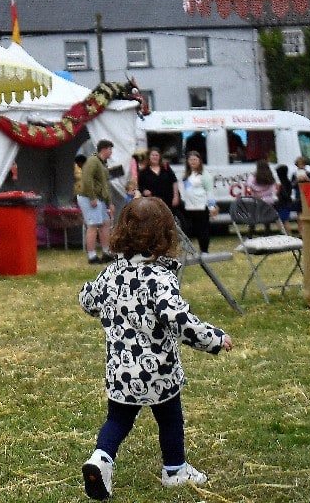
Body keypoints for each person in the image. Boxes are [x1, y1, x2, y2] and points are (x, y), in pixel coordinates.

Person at [78, 197, 233, 498]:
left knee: (117, 420)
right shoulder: (160, 278)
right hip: (159, 372)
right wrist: (213, 338)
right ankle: (174, 469)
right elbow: (180, 321)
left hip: (121, 371)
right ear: (166, 236)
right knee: (170, 418)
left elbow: (88, 300)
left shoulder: (113, 272)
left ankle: (100, 458)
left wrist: (89, 293)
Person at [77, 140, 116, 264]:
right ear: (103, 149)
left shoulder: (103, 163)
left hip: (100, 198)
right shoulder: (93, 161)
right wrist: (92, 197)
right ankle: (92, 256)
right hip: (88, 197)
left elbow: (105, 185)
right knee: (93, 226)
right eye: (110, 149)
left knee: (105, 223)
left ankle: (106, 252)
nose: (111, 152)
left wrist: (109, 202)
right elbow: (87, 179)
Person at [179, 151, 216, 253]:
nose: (193, 162)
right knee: (190, 229)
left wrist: (211, 206)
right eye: (190, 160)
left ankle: (204, 250)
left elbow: (210, 191)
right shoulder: (187, 175)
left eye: (195, 159)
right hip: (189, 207)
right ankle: (189, 249)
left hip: (201, 206)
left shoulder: (205, 175)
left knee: (203, 230)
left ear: (199, 161)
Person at [137, 149, 180, 214]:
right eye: (153, 155)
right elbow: (139, 186)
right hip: (152, 202)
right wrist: (144, 191)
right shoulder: (144, 171)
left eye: (157, 155)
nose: (155, 157)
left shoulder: (166, 168)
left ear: (160, 157)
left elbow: (174, 182)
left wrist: (176, 197)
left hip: (168, 201)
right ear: (149, 157)